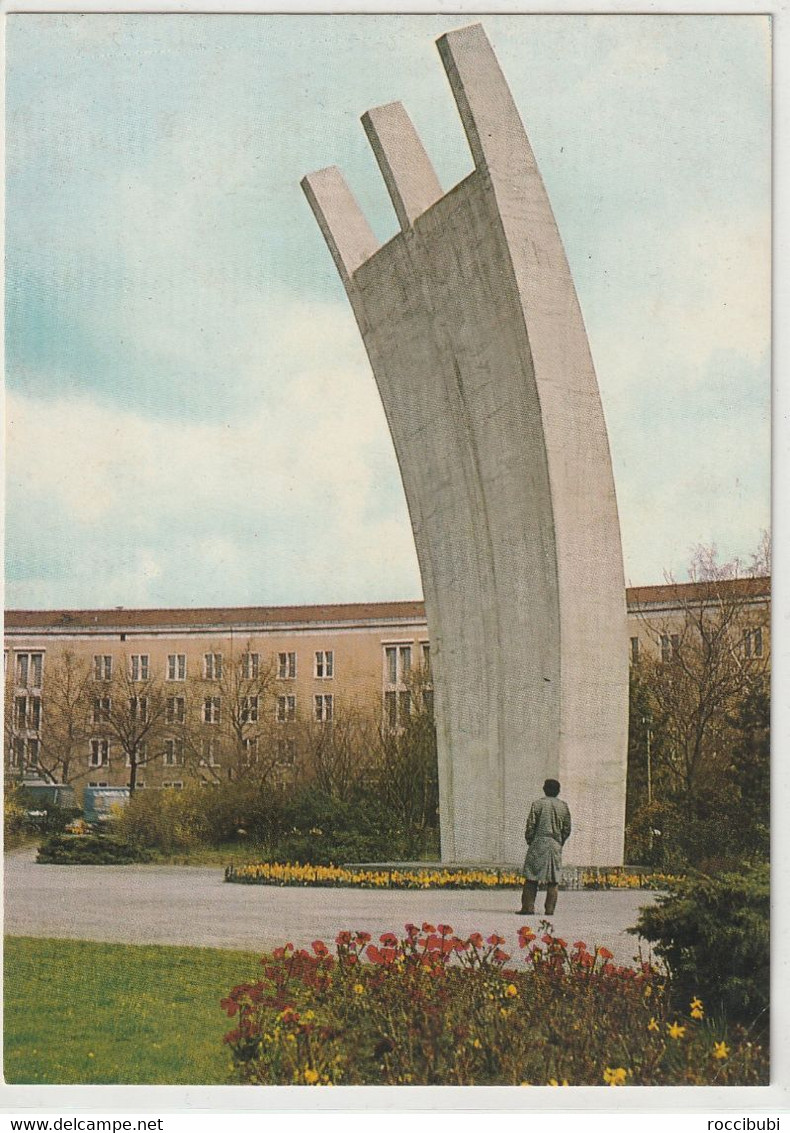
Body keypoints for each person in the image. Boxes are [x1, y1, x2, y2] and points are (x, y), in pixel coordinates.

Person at [518, 779, 572, 917]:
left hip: (539, 841)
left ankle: (528, 907)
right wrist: (559, 841)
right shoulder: (563, 807)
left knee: (531, 876)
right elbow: (567, 828)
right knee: (553, 879)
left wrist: (531, 840)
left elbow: (530, 826)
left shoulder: (537, 804)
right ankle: (550, 910)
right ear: (558, 791)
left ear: (544, 789)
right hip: (555, 844)